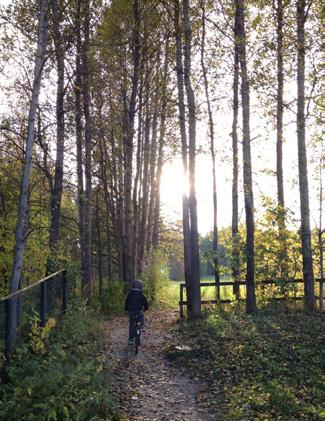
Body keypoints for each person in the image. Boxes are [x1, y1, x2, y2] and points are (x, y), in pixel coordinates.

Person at [125, 279, 149, 345]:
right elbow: (145, 302)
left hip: (131, 310)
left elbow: (127, 302)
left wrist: (126, 309)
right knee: (141, 316)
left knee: (131, 324)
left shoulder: (130, 294)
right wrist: (146, 308)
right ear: (141, 287)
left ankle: (130, 340)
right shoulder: (141, 294)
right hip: (139, 309)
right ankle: (143, 326)